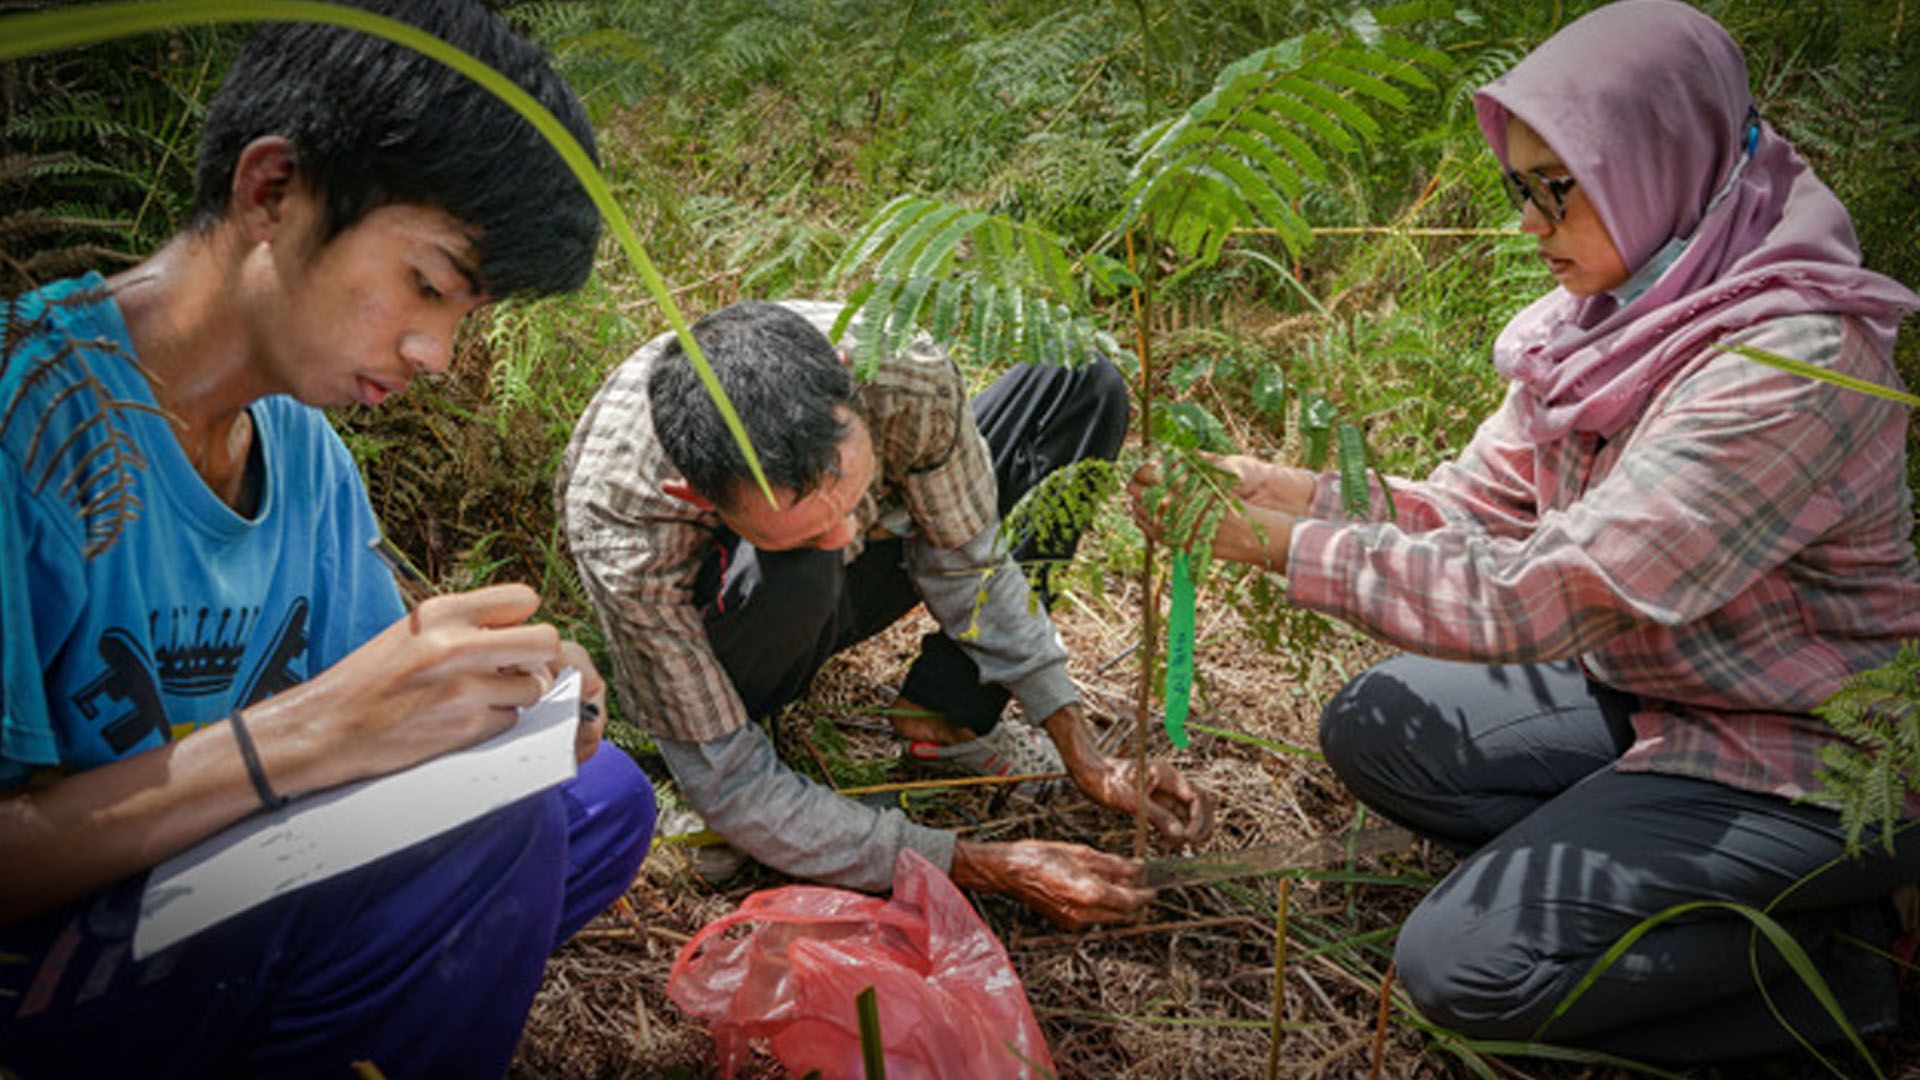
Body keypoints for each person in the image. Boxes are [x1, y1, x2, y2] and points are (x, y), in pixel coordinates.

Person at [1130, 0, 1920, 1064]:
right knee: (1382, 722)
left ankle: (1851, 972)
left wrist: (1277, 546)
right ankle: (1656, 879)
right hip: (1655, 685)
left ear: (1661, 164)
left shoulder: (1787, 366)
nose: (1528, 223)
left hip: (1802, 756)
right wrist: (1280, 489)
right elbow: (1476, 509)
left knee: (1464, 972)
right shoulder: (1618, 311)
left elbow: (1552, 590)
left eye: (1560, 190)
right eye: (1521, 185)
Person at [0, 3, 656, 1077]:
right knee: (491, 845)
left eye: (463, 313)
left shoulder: (304, 454)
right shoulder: (29, 420)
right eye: (429, 284)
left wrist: (501, 694)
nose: (436, 350)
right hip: (50, 955)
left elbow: (363, 696)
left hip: (212, 880)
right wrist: (302, 739)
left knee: (603, 800)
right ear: (273, 190)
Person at [559, 298, 1213, 928]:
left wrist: (1085, 752)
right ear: (697, 496)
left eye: (852, 497)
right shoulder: (624, 521)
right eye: (810, 527)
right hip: (748, 615)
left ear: (849, 382)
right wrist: (982, 864)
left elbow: (966, 559)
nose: (848, 540)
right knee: (804, 573)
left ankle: (949, 718)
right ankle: (688, 761)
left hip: (816, 535)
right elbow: (737, 785)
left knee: (1080, 381)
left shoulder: (900, 373)